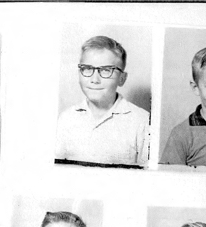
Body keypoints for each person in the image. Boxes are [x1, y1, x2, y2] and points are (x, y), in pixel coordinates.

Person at [55, 35, 150, 166]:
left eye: (106, 70)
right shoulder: (66, 118)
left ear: (122, 78)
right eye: (87, 69)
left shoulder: (143, 121)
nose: (94, 79)